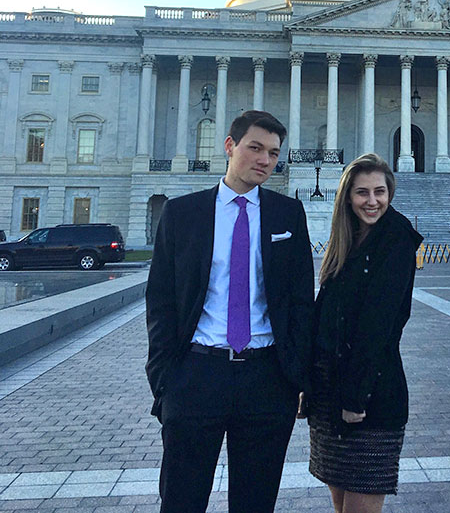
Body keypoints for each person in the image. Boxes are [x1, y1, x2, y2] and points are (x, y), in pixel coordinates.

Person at [145, 110, 314, 513]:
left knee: (255, 503)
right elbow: (161, 300)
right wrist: (165, 377)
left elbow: (300, 300)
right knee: (182, 499)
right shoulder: (182, 213)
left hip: (266, 376)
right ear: (230, 146)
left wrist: (296, 376)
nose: (264, 161)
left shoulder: (287, 214)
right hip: (197, 374)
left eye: (273, 153)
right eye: (255, 148)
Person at [307, 153, 423, 513]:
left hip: (368, 397)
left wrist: (355, 398)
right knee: (341, 502)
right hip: (331, 393)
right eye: (362, 193)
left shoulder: (396, 240)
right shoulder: (348, 239)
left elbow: (379, 326)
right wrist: (306, 383)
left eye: (379, 192)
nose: (372, 201)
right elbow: (323, 316)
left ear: (390, 193)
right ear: (347, 197)